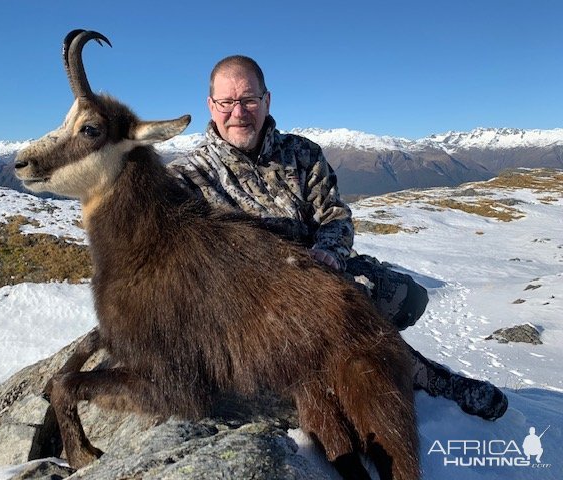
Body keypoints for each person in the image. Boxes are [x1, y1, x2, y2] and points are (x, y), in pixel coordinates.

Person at [168, 55, 508, 421]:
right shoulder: (184, 178)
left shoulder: (302, 154)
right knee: (345, 316)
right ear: (211, 105)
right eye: (227, 102)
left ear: (267, 101)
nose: (239, 112)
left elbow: (334, 216)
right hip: (248, 306)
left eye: (249, 100)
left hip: (319, 273)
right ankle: (432, 380)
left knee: (407, 298)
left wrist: (329, 252)